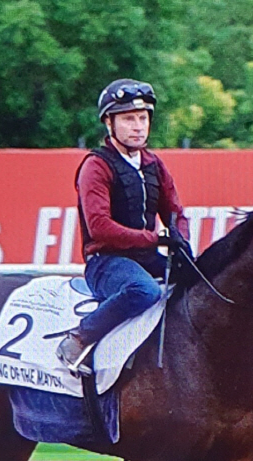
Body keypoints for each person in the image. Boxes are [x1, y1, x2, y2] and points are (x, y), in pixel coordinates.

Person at [57, 79, 191, 373]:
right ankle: (79, 338)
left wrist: (182, 242)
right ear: (109, 123)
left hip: (146, 257)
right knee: (144, 291)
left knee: (200, 279)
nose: (138, 126)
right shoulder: (96, 166)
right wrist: (155, 239)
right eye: (129, 119)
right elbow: (101, 227)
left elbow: (176, 213)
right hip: (106, 262)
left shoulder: (154, 164)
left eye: (143, 119)